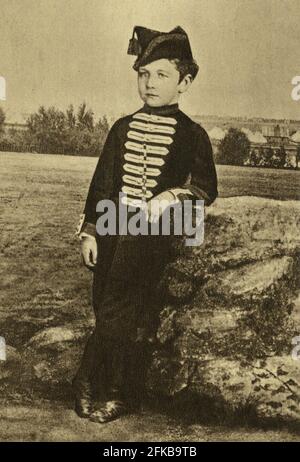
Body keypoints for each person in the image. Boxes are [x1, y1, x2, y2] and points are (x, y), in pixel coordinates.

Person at [72, 25, 218, 423]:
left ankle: (95, 384)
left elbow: (206, 188)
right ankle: (110, 389)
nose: (150, 83)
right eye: (144, 74)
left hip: (154, 233)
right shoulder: (121, 128)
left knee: (125, 303)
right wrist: (89, 232)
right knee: (108, 305)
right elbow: (102, 184)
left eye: (162, 75)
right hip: (112, 228)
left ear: (184, 81)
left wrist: (169, 197)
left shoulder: (193, 135)